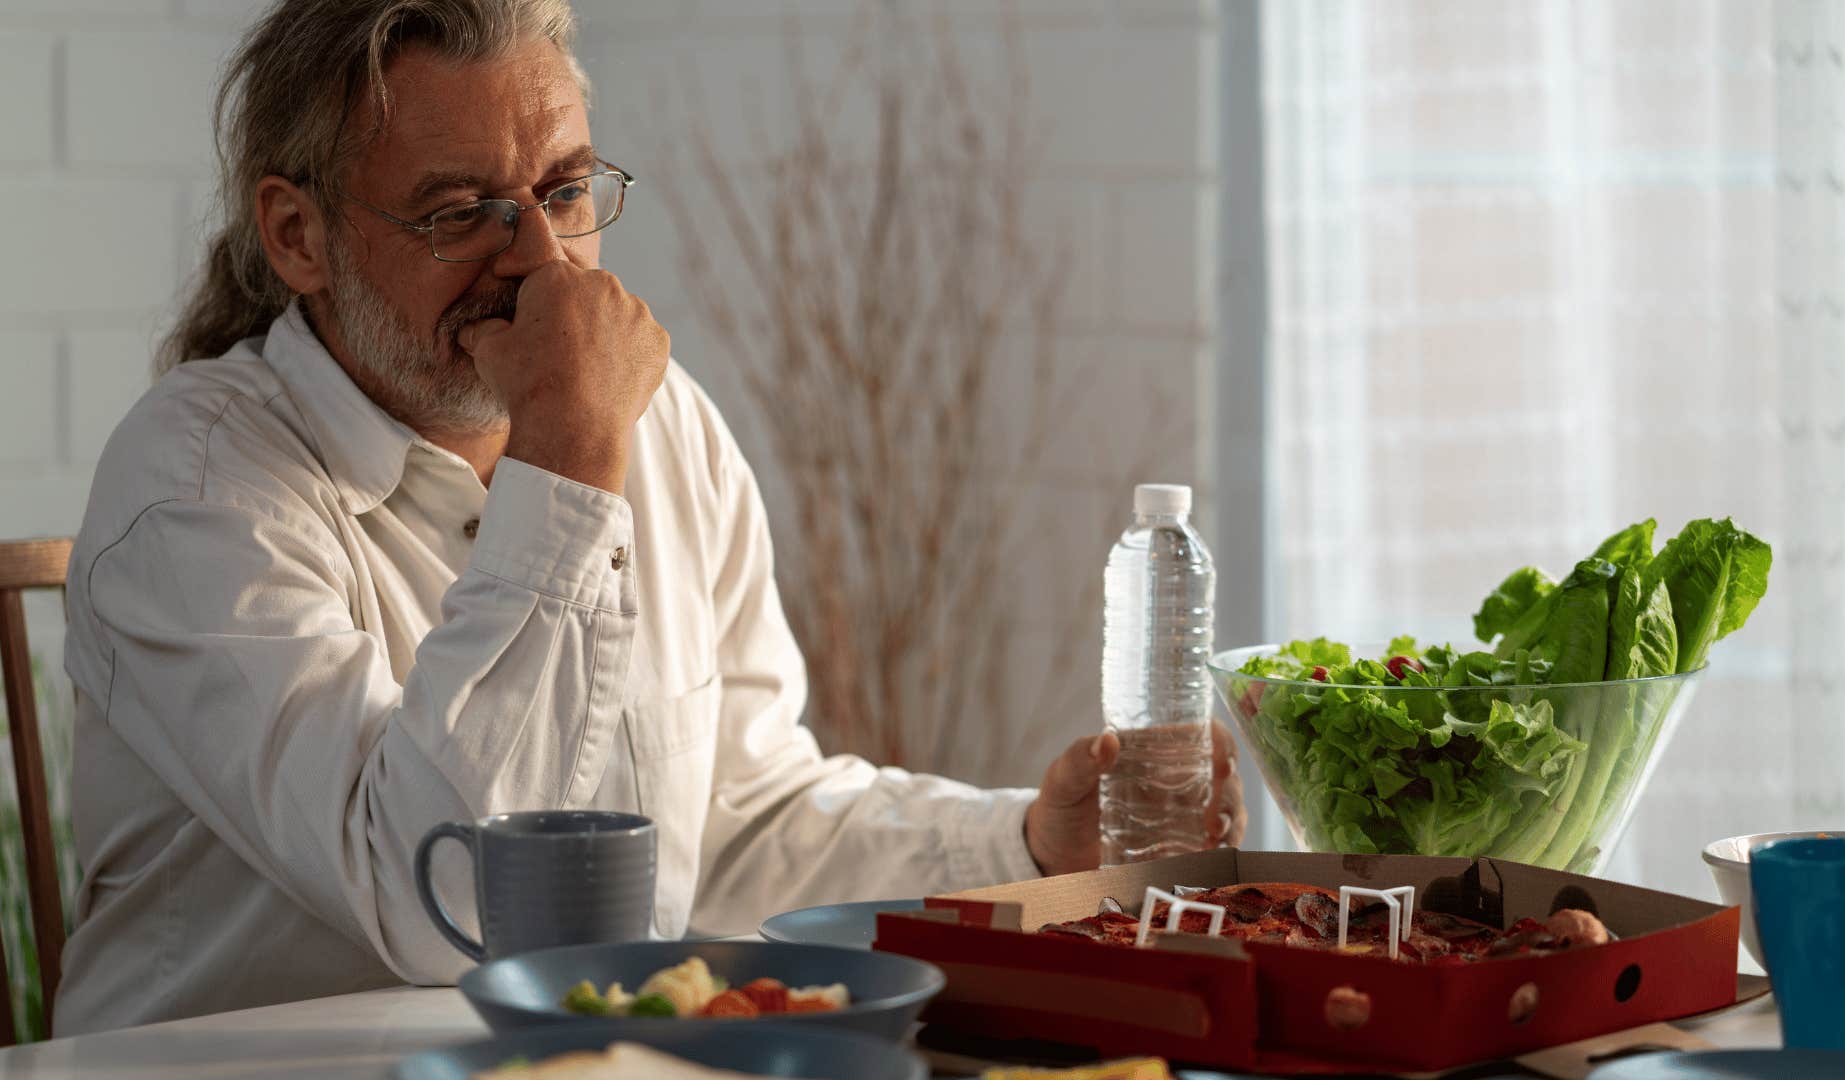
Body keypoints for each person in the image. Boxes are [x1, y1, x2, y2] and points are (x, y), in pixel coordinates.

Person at [53, 0, 1245, 1036]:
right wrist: (568, 462)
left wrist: (1027, 847)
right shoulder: (192, 489)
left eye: (566, 190)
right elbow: (444, 905)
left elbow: (740, 825)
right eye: (459, 211)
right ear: (297, 234)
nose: (541, 261)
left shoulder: (659, 423)